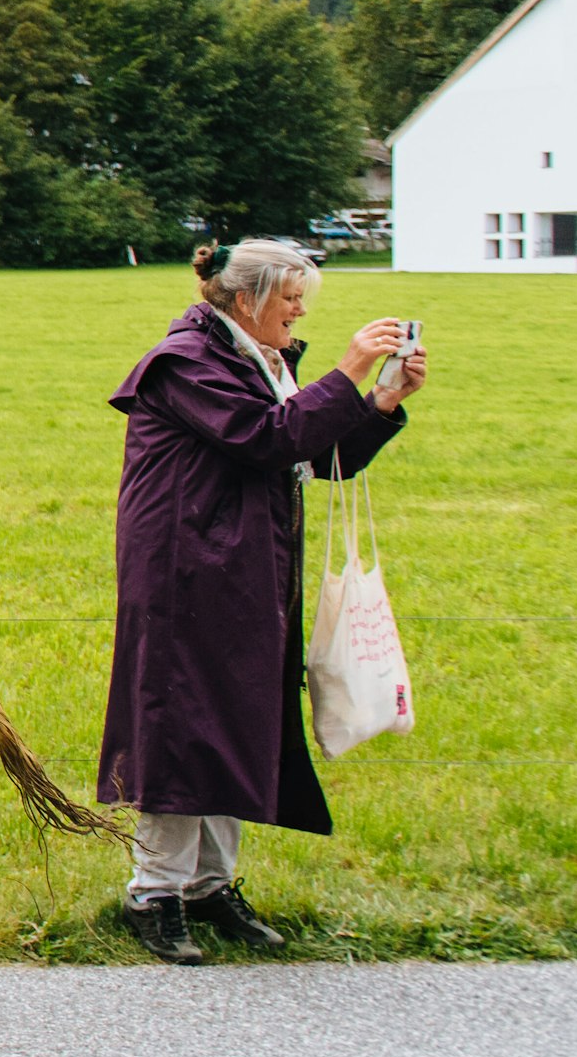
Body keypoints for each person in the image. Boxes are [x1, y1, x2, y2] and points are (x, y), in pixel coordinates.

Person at [98, 238, 423, 964]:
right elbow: (266, 437)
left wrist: (379, 404)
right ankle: (154, 893)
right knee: (180, 724)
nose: (300, 311)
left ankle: (210, 887)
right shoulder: (186, 362)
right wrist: (349, 369)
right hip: (184, 570)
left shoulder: (259, 359)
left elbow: (312, 456)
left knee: (237, 717)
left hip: (242, 565)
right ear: (247, 299)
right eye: (291, 298)